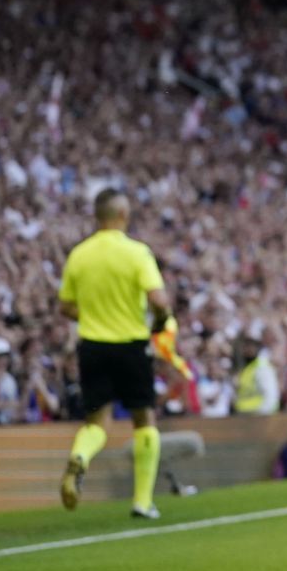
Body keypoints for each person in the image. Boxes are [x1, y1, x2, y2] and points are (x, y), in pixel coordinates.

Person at [57, 189, 173, 519]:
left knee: (97, 421)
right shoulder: (136, 252)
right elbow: (160, 301)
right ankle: (142, 500)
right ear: (123, 215)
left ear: (97, 216)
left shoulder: (79, 255)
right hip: (131, 345)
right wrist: (161, 322)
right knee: (144, 419)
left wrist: (92, 315)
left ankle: (80, 456)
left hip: (92, 346)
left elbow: (65, 307)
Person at [233, 335, 279, 416]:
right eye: (244, 347)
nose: (246, 350)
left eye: (249, 346)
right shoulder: (247, 368)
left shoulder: (262, 367)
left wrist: (262, 414)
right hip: (245, 415)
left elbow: (270, 395)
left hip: (258, 414)